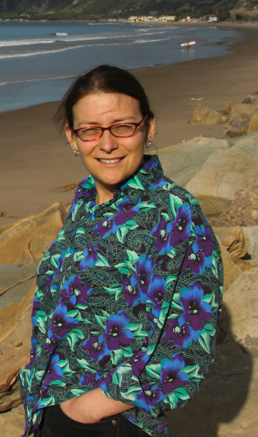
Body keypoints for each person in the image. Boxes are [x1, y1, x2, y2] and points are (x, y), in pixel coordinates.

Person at [19, 65, 222, 437]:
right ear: (73, 137)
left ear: (149, 128)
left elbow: (191, 338)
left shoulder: (173, 211)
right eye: (91, 130)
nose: (107, 143)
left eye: (123, 127)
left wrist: (90, 407)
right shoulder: (85, 201)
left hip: (110, 420)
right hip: (51, 407)